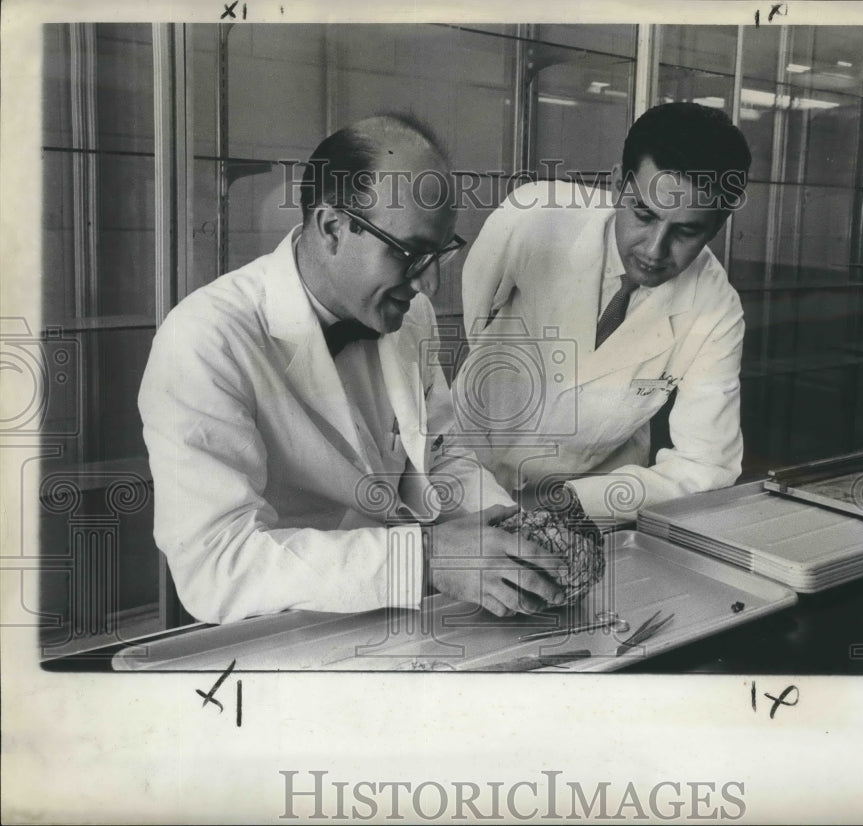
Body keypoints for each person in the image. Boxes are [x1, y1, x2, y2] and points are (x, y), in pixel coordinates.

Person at [138, 115, 566, 624]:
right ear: (332, 228)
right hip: (283, 626)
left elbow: (442, 454)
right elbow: (218, 565)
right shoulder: (206, 339)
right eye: (409, 253)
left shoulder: (410, 315)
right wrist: (427, 557)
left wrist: (507, 536)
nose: (428, 285)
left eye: (440, 253)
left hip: (397, 605)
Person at [453, 103, 752, 521]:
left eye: (686, 231)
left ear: (717, 226)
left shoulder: (715, 309)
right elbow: (475, 320)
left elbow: (704, 466)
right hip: (466, 467)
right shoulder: (533, 217)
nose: (654, 250)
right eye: (643, 214)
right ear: (618, 184)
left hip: (594, 499)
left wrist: (573, 503)